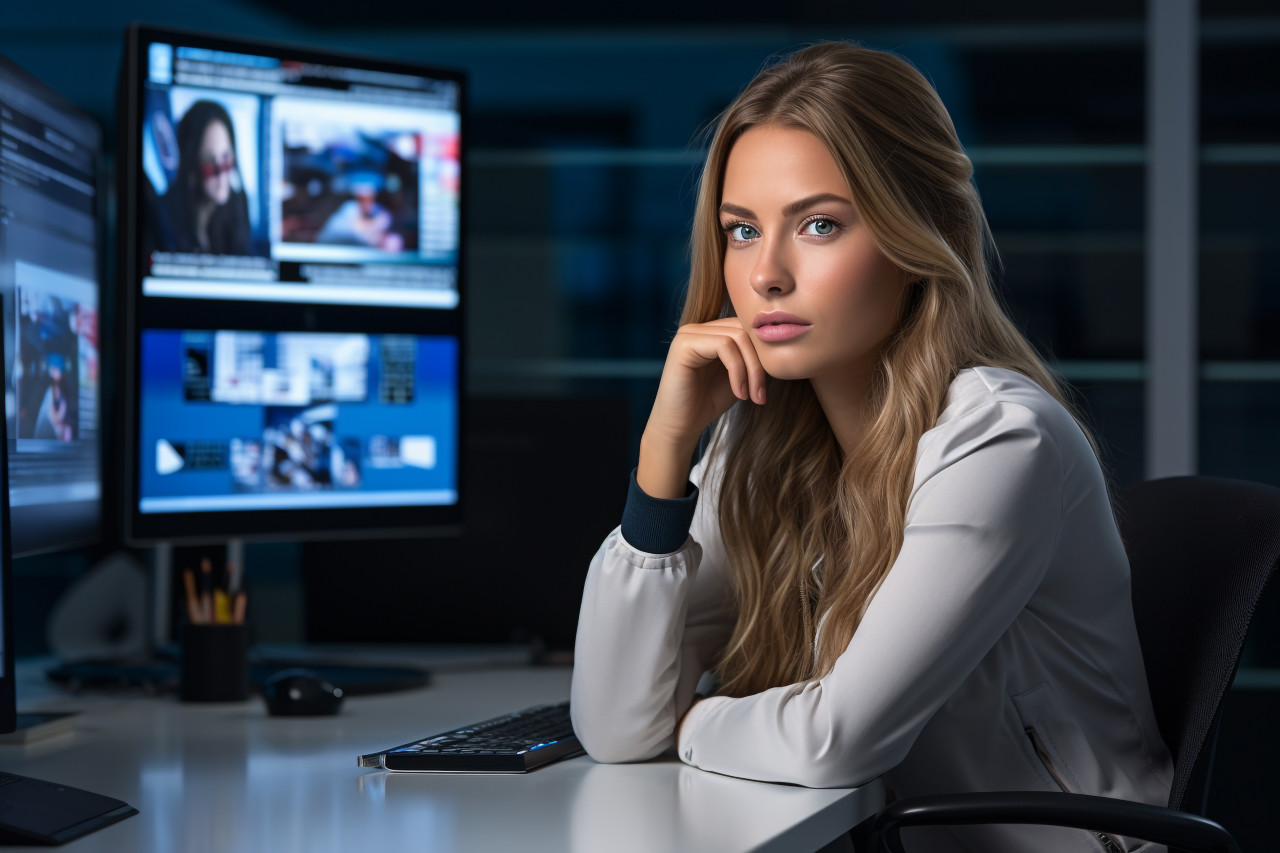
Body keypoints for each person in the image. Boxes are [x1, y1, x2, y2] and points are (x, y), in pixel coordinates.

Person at [570, 42, 1173, 853]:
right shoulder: (758, 436)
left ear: (916, 232)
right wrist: (665, 449)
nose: (767, 275)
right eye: (742, 230)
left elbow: (836, 739)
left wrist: (698, 718)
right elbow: (614, 726)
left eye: (819, 224)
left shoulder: (999, 438)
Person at [163, 100, 252, 255]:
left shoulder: (238, 204)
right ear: (191, 164)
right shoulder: (165, 213)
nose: (221, 174)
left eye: (226, 158)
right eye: (210, 162)